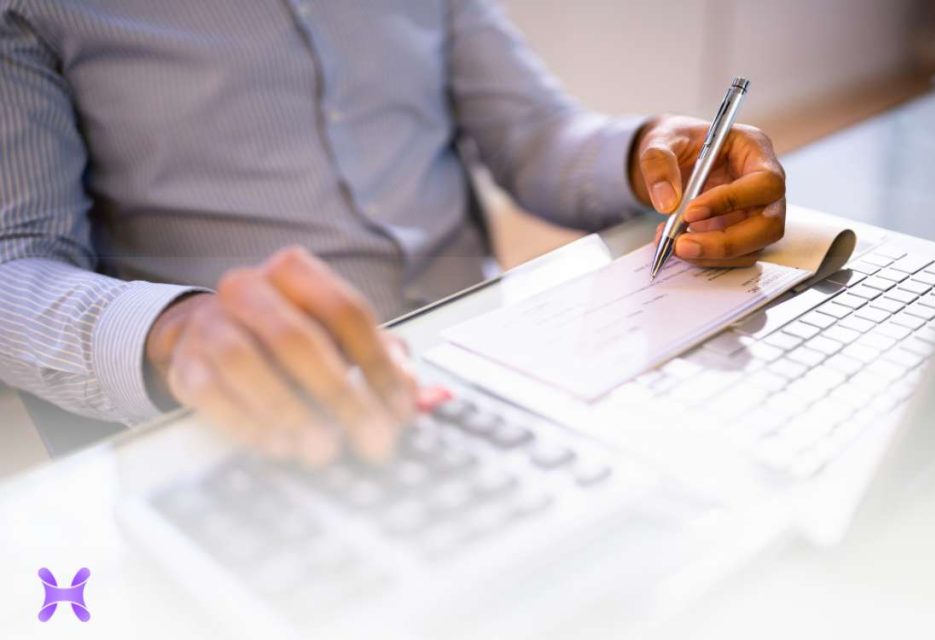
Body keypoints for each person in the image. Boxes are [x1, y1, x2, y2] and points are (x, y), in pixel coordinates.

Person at [0, 0, 785, 466]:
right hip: (267, 420)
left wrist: (654, 153)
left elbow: (531, 132)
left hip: (497, 369)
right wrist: (178, 330)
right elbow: (17, 260)